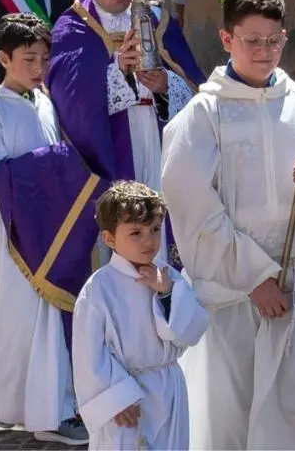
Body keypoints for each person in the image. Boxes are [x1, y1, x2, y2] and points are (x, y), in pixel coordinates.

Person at [161, 0, 295, 449]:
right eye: (251, 41)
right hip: (237, 290)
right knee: (233, 411)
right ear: (228, 39)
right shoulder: (204, 115)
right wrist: (253, 276)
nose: (264, 51)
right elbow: (192, 204)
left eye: (273, 40)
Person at [0, 12, 108, 446]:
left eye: (44, 58)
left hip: (52, 232)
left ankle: (53, 407)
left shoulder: (43, 99)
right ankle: (40, 411)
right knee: (23, 322)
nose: (38, 68)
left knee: (52, 322)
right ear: (4, 58)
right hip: (16, 239)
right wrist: (53, 167)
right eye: (29, 59)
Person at [46, 0, 202, 268]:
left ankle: (169, 305)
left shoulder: (157, 20)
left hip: (161, 145)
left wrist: (165, 86)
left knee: (167, 234)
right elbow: (71, 103)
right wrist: (118, 70)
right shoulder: (73, 27)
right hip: (113, 151)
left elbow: (194, 90)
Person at [72, 181, 208, 450]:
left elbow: (190, 331)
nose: (149, 241)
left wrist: (167, 292)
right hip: (127, 398)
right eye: (136, 232)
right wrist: (116, 398)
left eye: (155, 229)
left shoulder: (168, 276)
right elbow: (89, 353)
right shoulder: (99, 289)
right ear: (110, 239)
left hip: (167, 388)